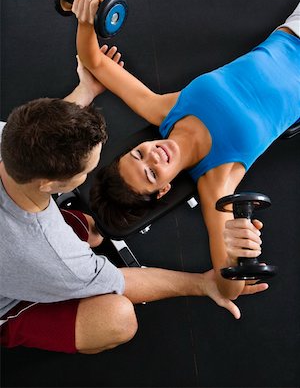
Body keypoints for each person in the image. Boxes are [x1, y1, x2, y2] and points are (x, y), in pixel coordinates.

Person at [0, 40, 268, 355]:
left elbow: (40, 129)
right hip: (12, 289)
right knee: (118, 318)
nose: (89, 175)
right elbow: (123, 281)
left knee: (86, 228)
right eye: (85, 173)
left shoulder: (9, 138)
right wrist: (202, 283)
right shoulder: (59, 256)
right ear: (49, 183)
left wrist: (85, 90)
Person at [73, 0, 300, 301]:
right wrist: (233, 248)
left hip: (292, 30)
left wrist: (85, 19)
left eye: (139, 153)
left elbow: (94, 61)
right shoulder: (216, 181)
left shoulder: (166, 110)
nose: (154, 156)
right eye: (152, 174)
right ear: (164, 190)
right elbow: (227, 286)